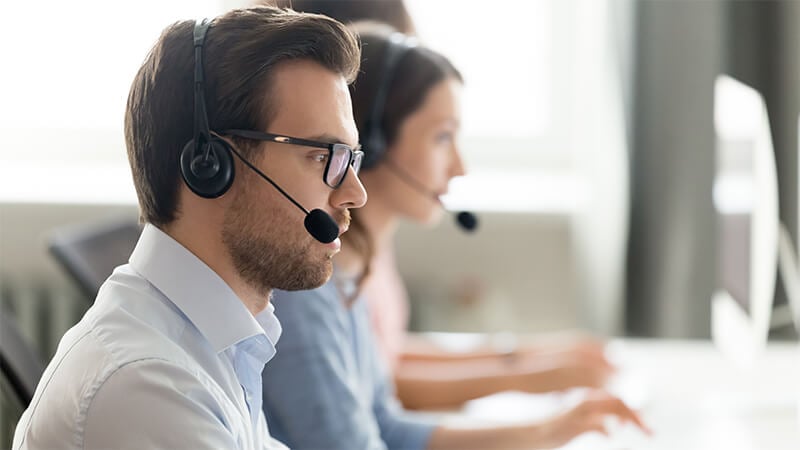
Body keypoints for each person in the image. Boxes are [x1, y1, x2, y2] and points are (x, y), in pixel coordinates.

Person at [261, 23, 649, 450]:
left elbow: (385, 426)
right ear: (373, 142)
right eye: (442, 137)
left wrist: (549, 431)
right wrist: (532, 392)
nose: (461, 166)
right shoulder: (308, 290)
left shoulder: (348, 273)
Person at [13, 6, 366, 449]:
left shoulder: (217, 344)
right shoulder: (149, 385)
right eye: (322, 157)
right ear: (209, 166)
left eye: (351, 158)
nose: (355, 193)